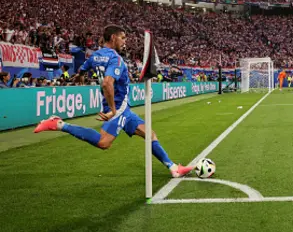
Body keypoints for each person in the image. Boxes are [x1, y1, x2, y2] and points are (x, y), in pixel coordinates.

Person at [33, 25, 193, 178]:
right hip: (118, 108)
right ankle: (60, 124)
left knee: (149, 134)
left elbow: (83, 68)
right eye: (122, 38)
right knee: (104, 142)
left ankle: (173, 168)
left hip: (123, 108)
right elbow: (107, 83)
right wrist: (113, 110)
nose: (125, 42)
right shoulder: (115, 59)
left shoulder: (95, 56)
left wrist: (80, 76)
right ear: (113, 37)